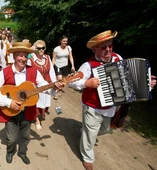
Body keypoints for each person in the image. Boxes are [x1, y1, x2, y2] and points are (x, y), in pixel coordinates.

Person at [68, 30, 157, 170]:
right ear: (94, 49)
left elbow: (128, 80)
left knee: (104, 130)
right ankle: (87, 157)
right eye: (103, 47)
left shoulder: (118, 58)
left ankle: (85, 134)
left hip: (112, 107)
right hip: (93, 106)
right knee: (91, 133)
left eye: (110, 46)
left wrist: (146, 84)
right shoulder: (88, 65)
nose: (108, 49)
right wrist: (86, 84)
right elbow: (71, 82)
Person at [0, 42, 64, 164]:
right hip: (10, 111)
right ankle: (10, 151)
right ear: (14, 57)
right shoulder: (5, 71)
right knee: (12, 138)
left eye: (25, 56)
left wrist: (54, 87)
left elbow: (43, 85)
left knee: (25, 136)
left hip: (27, 111)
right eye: (20, 55)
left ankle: (22, 153)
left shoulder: (33, 71)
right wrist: (8, 102)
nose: (23, 59)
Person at [29, 40, 56, 130]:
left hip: (47, 84)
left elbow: (51, 72)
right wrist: (31, 50)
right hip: (37, 87)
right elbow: (26, 58)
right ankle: (37, 120)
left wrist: (54, 84)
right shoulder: (31, 59)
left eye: (42, 48)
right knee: (37, 103)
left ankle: (39, 115)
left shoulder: (47, 58)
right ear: (35, 49)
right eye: (39, 48)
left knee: (44, 103)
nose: (41, 50)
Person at [52, 35, 75, 99]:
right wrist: (51, 67)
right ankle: (56, 92)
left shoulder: (69, 48)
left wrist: (72, 66)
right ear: (60, 41)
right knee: (59, 78)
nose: (65, 42)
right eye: (64, 41)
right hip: (58, 65)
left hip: (65, 66)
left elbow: (70, 57)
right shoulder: (56, 49)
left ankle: (57, 89)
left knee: (62, 80)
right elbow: (53, 59)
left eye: (66, 41)